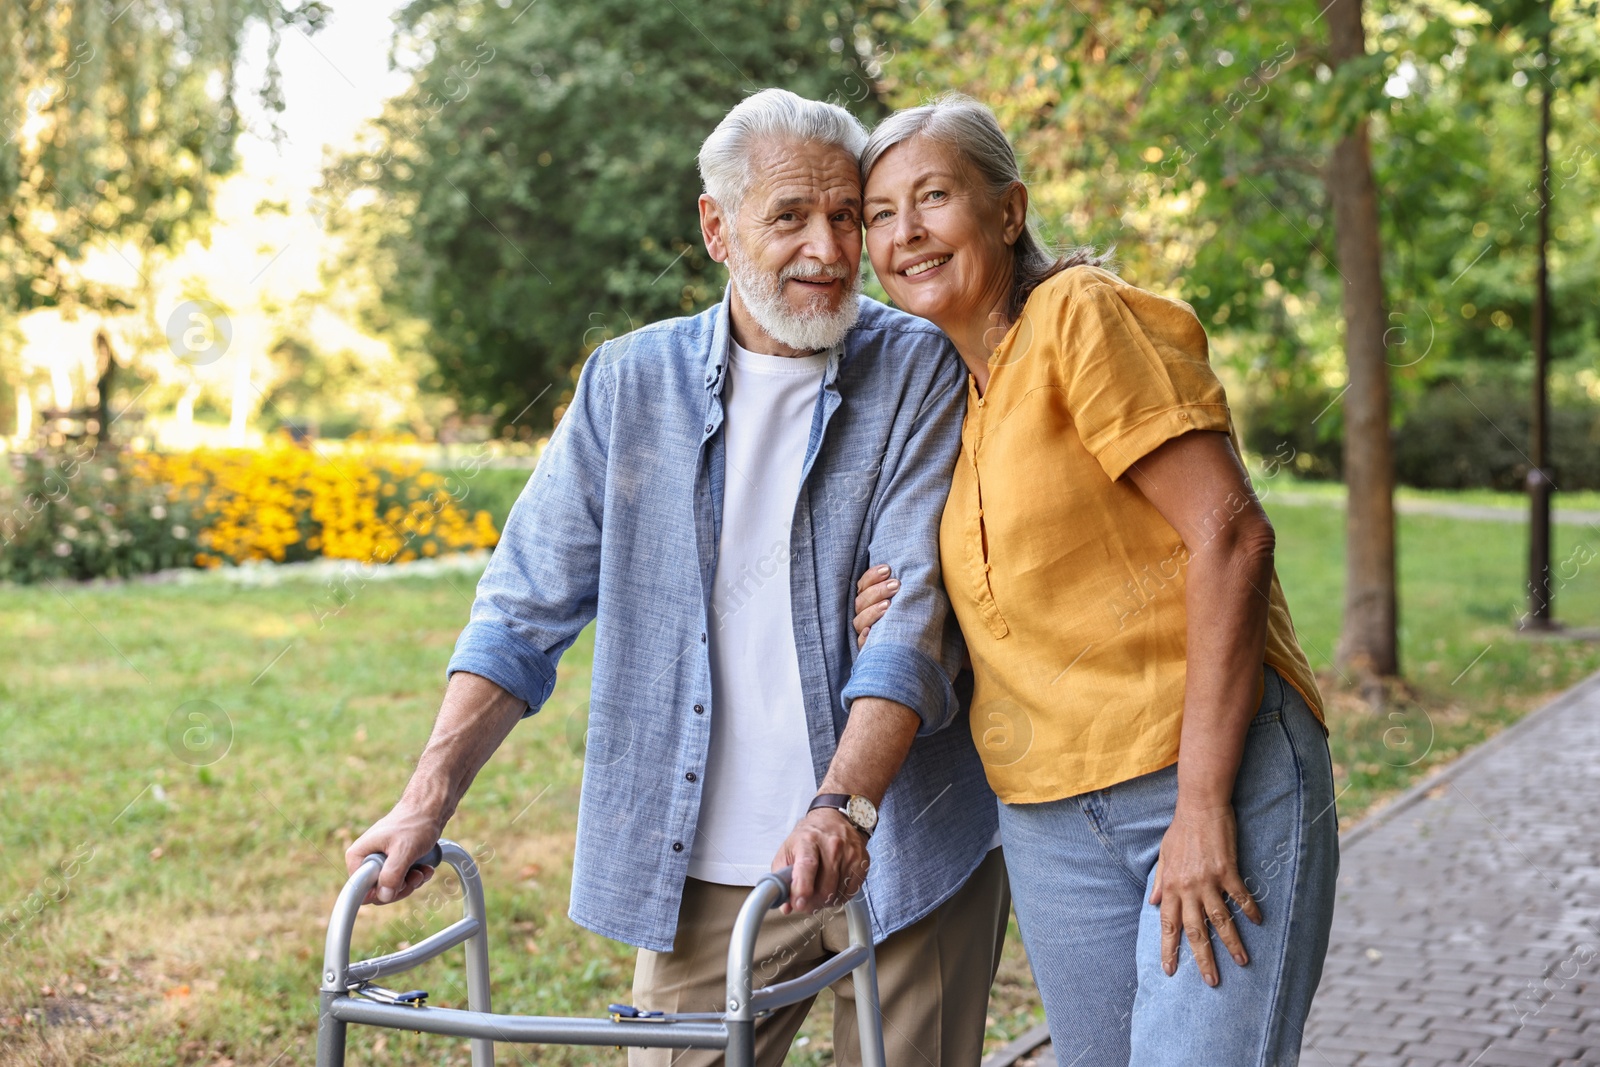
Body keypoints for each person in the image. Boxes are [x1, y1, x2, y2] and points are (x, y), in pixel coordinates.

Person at [346, 88, 1008, 1067]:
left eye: (843, 216)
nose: (827, 250)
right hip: (706, 864)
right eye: (788, 217)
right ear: (716, 226)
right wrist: (424, 798)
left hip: (900, 835)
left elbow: (908, 616)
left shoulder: (919, 363)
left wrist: (843, 806)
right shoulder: (628, 383)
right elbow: (521, 610)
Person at [850, 94, 1338, 1067]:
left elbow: (1232, 536)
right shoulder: (959, 395)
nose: (904, 232)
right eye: (879, 213)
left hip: (1199, 775)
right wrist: (913, 606)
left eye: (933, 196)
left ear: (1007, 209)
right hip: (1045, 815)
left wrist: (1203, 806)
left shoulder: (1079, 314)